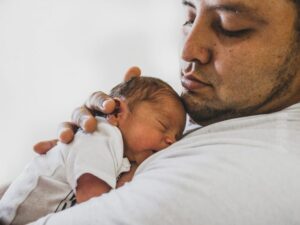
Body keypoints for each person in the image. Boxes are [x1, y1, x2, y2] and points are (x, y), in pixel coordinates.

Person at [10, 0, 300, 224]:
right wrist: (58, 165)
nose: (188, 50)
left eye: (228, 25)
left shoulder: (227, 180)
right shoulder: (240, 115)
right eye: (189, 17)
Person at [0, 76, 186, 225]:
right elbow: (95, 205)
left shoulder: (122, 153)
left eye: (176, 137)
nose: (170, 140)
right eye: (163, 125)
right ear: (116, 113)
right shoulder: (102, 135)